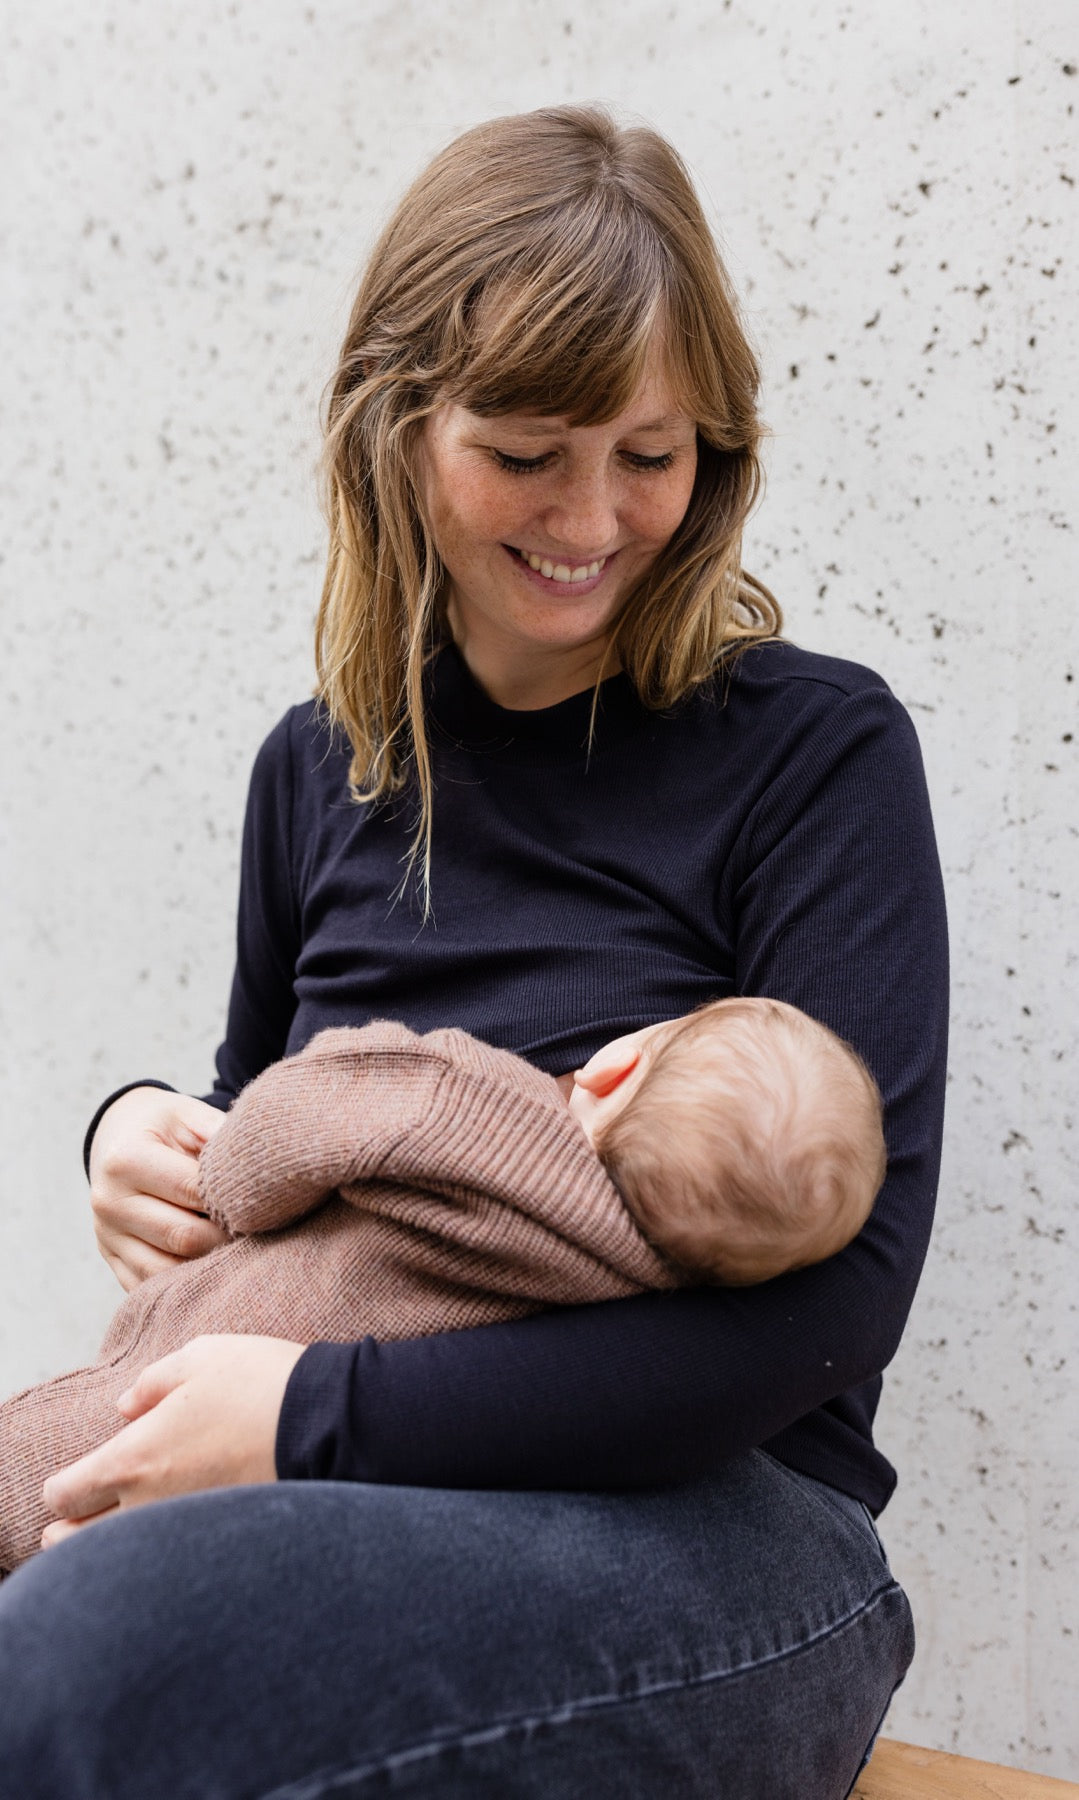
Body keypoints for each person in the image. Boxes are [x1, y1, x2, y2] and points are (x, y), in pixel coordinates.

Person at [0, 104, 947, 1799]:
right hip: (346, 1497)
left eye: (648, 454)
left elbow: (825, 1312)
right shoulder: (323, 765)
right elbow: (269, 1151)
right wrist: (133, 1138)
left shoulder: (812, 754)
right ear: (397, 430)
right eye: (527, 451)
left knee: (100, 1648)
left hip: (720, 1532)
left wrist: (308, 1420)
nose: (592, 517)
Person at [0, 997, 886, 1574]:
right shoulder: (629, 1295)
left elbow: (295, 1118)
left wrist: (223, 1183)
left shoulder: (465, 1105)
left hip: (200, 1369)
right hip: (301, 1498)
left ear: (617, 1066)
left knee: (39, 1466)